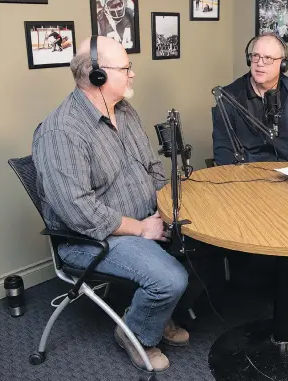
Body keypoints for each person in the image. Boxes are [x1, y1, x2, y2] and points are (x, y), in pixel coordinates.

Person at [32, 35, 189, 372]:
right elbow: (80, 212)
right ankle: (134, 334)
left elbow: (152, 167)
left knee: (199, 238)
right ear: (98, 75)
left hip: (143, 219)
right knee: (170, 279)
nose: (132, 74)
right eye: (126, 68)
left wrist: (165, 210)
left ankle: (155, 316)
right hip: (90, 238)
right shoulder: (62, 131)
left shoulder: (125, 111)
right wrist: (142, 228)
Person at [212, 33, 288, 165]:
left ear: (283, 64)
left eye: (268, 58)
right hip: (245, 176)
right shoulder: (228, 96)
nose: (260, 63)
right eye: (255, 56)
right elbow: (223, 150)